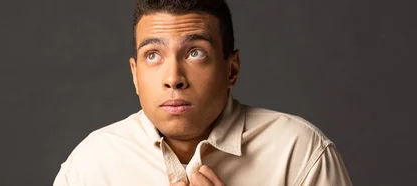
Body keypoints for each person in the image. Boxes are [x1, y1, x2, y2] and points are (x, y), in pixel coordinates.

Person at [53, 0, 352, 185]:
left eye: (195, 53)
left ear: (231, 69)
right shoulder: (90, 166)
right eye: (153, 55)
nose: (173, 79)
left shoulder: (299, 153)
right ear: (135, 74)